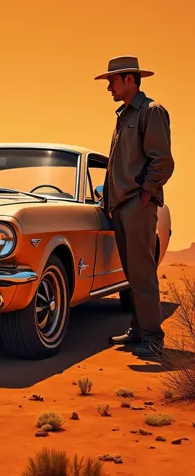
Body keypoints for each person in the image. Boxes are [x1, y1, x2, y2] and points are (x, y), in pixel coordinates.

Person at [95, 56, 174, 358]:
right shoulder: (123, 115)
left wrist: (145, 195)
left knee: (142, 273)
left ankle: (153, 337)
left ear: (130, 79)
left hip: (137, 205)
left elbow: (163, 161)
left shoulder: (150, 112)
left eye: (113, 81)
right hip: (121, 206)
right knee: (132, 273)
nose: (109, 88)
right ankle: (139, 329)